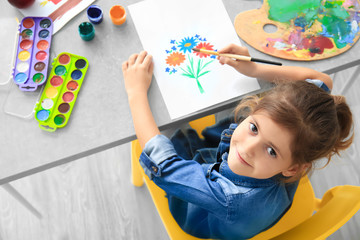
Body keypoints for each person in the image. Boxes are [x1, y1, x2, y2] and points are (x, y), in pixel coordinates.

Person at [122, 44, 354, 240]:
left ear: (293, 168)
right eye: (254, 128)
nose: (248, 148)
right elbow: (320, 80)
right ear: (255, 109)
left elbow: (165, 167)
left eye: (271, 151)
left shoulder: (229, 198)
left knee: (165, 125)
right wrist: (253, 68)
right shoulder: (298, 146)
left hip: (201, 216)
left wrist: (136, 91)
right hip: (253, 197)